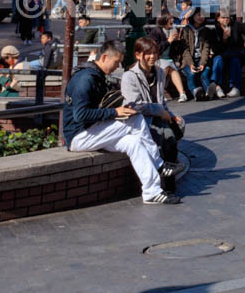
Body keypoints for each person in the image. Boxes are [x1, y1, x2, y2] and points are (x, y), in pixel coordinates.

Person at [62, 41, 177, 205]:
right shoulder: (85, 79)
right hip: (78, 136)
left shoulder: (96, 76)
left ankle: (152, 192)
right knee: (135, 118)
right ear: (103, 57)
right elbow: (80, 115)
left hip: (91, 131)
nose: (118, 67)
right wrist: (115, 112)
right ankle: (159, 165)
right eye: (116, 62)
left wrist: (117, 109)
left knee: (134, 142)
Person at [122, 36, 185, 194]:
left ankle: (169, 182)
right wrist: (159, 111)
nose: (152, 57)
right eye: (148, 53)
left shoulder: (159, 73)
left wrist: (169, 114)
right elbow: (134, 105)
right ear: (138, 55)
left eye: (155, 53)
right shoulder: (129, 76)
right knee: (167, 137)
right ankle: (165, 184)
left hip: (159, 117)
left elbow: (161, 100)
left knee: (175, 129)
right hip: (141, 121)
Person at [174, 7, 217, 100]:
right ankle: (196, 92)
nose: (201, 17)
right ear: (193, 16)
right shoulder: (186, 30)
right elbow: (185, 50)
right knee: (192, 74)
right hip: (187, 61)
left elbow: (206, 49)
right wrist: (191, 64)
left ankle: (209, 92)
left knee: (204, 75)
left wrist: (202, 63)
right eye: (199, 15)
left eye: (203, 15)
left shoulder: (206, 31)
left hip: (201, 59)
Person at [209, 11, 245, 97]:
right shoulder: (214, 30)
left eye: (227, 17)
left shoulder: (234, 27)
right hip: (221, 55)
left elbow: (239, 43)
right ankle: (217, 87)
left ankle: (235, 87)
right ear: (218, 19)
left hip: (234, 54)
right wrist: (224, 39)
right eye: (223, 17)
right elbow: (215, 49)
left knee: (235, 61)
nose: (226, 19)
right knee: (218, 59)